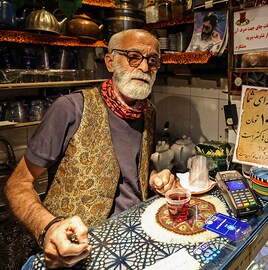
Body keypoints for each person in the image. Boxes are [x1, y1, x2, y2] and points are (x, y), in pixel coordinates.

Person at [4, 29, 176, 269]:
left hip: (134, 231)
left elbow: (131, 169)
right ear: (109, 62)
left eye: (153, 60)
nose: (145, 68)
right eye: (133, 56)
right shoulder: (70, 108)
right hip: (77, 246)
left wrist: (154, 177)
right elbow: (17, 185)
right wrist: (49, 227)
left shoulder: (148, 112)